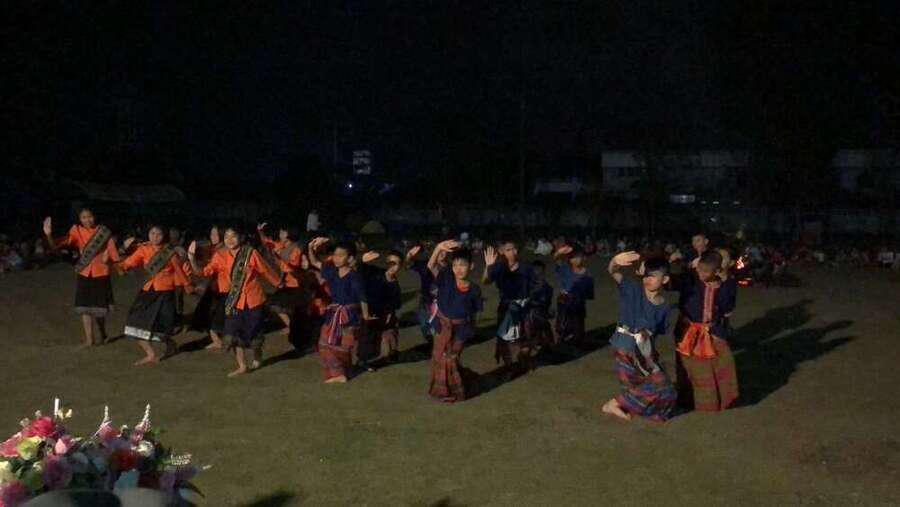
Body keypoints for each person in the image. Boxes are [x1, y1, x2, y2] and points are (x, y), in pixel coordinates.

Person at [189, 226, 282, 377]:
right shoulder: (219, 256)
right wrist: (191, 258)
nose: (230, 240)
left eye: (233, 236)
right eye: (226, 237)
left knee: (254, 333)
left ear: (240, 237)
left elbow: (265, 270)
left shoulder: (250, 253)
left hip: (253, 300)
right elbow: (203, 272)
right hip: (233, 300)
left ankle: (257, 354)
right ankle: (242, 366)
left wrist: (279, 283)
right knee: (233, 333)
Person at [602, 252, 677, 421]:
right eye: (646, 275)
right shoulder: (633, 289)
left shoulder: (664, 305)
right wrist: (614, 261)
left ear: (665, 279)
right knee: (649, 384)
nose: (647, 279)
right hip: (624, 347)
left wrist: (651, 356)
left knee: (665, 390)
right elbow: (613, 272)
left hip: (644, 352)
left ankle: (635, 406)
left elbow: (655, 333)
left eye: (653, 276)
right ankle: (613, 404)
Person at [117, 225, 193, 366]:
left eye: (159, 234)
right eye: (152, 233)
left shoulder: (169, 252)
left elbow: (179, 271)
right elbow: (129, 262)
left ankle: (170, 345)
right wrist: (122, 266)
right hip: (148, 291)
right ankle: (150, 354)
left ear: (164, 236)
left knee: (162, 326)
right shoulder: (143, 249)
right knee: (134, 321)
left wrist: (187, 285)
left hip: (165, 292)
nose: (155, 237)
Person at [673, 250, 739, 411]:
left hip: (714, 330)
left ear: (717, 271)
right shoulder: (690, 280)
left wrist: (726, 284)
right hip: (689, 332)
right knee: (690, 368)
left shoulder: (726, 285)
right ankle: (690, 401)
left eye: (705, 271)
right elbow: (673, 282)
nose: (701, 273)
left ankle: (723, 401)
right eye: (699, 269)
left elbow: (727, 307)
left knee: (721, 364)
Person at [42, 210, 119, 348]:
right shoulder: (77, 231)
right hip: (84, 273)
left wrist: (112, 261)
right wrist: (48, 234)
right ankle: (89, 340)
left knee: (99, 309)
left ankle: (103, 334)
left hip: (101, 273)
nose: (87, 220)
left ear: (94, 217)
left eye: (89, 216)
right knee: (84, 308)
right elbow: (57, 246)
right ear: (80, 219)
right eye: (84, 217)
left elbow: (114, 256)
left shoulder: (104, 232)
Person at [307, 237, 371, 383]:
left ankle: (339, 374)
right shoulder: (332, 273)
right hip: (334, 313)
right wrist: (310, 248)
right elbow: (315, 262)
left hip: (348, 315)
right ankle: (343, 372)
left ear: (350, 258)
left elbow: (362, 297)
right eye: (335, 255)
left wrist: (366, 316)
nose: (336, 258)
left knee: (341, 345)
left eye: (341, 255)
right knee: (327, 344)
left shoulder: (354, 277)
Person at [428, 240, 482, 402]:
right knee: (439, 357)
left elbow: (475, 312)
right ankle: (442, 390)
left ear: (471, 266)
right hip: (442, 325)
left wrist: (471, 329)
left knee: (452, 358)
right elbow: (431, 266)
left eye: (463, 265)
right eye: (455, 265)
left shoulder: (474, 289)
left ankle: (454, 391)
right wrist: (438, 248)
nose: (458, 269)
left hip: (461, 329)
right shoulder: (447, 279)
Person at [483, 240, 538, 375]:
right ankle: (509, 365)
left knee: (527, 337)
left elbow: (536, 284)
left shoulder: (526, 267)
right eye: (508, 249)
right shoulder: (498, 268)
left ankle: (523, 357)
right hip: (507, 306)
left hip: (525, 306)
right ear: (501, 251)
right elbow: (485, 281)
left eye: (514, 249)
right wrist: (488, 266)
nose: (513, 252)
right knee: (504, 339)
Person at [358, 250, 404, 368]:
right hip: (370, 311)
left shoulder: (394, 282)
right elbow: (359, 270)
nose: (392, 266)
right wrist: (363, 260)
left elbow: (396, 302)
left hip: (385, 315)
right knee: (368, 339)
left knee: (387, 340)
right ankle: (364, 361)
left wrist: (390, 313)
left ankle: (384, 356)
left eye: (396, 263)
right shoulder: (376, 273)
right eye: (390, 262)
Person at [257, 222, 303, 336]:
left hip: (295, 284)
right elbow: (267, 242)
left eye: (283, 232)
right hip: (286, 283)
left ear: (289, 234)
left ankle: (294, 328)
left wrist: (280, 256)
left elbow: (293, 266)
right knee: (277, 305)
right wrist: (260, 231)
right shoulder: (282, 245)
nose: (280, 233)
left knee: (279, 305)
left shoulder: (296, 249)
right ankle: (292, 327)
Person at [187, 226, 227, 350]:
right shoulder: (216, 249)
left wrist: (191, 258)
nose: (212, 237)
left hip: (221, 289)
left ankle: (219, 341)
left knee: (211, 315)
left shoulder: (221, 252)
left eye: (215, 234)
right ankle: (217, 340)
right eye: (211, 234)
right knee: (206, 314)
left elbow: (203, 272)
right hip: (215, 287)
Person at [553, 244, 595, 345]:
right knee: (562, 324)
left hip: (578, 301)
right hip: (565, 299)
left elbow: (588, 292)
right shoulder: (565, 269)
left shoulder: (587, 273)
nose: (576, 260)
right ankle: (562, 339)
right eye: (573, 257)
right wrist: (559, 252)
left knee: (578, 324)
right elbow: (556, 259)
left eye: (578, 257)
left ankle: (577, 338)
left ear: (584, 258)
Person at [408, 244, 442, 344]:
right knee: (425, 324)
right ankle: (430, 341)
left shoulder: (450, 267)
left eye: (443, 252)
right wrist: (409, 255)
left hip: (442, 302)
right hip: (426, 300)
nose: (441, 254)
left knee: (439, 326)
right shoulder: (423, 265)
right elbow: (408, 265)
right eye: (438, 252)